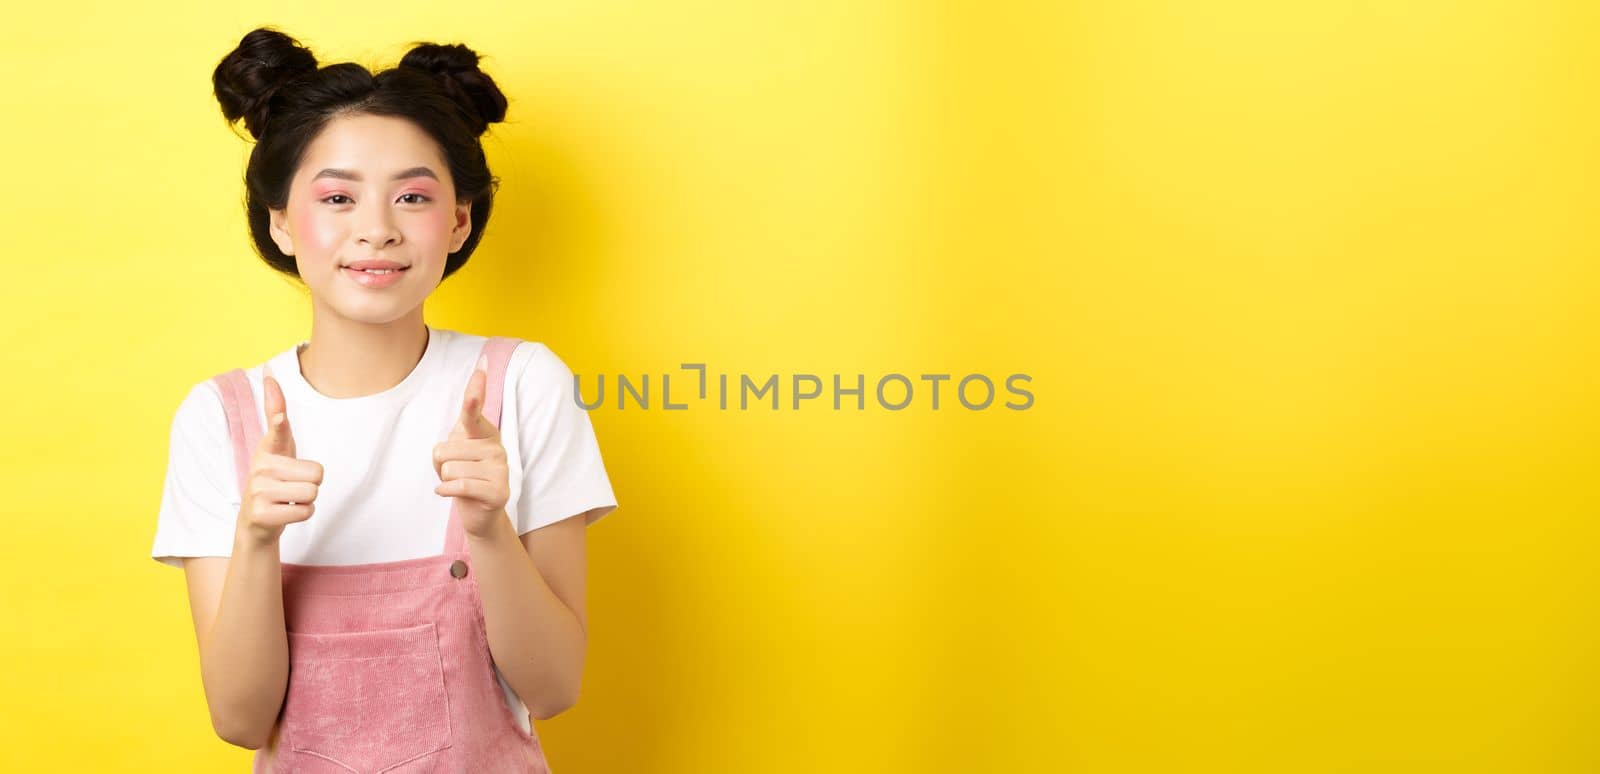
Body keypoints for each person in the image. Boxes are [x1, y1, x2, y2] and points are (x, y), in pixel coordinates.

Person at [149, 27, 618, 772]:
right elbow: (239, 720)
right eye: (337, 196)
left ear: (459, 220)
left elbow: (555, 687)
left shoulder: (524, 384)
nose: (376, 229)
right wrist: (257, 540)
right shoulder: (222, 417)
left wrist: (489, 529)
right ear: (280, 221)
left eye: (412, 196)